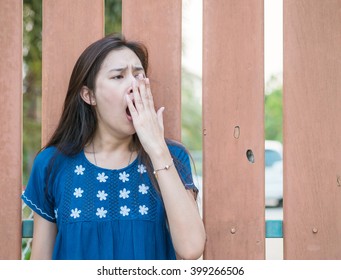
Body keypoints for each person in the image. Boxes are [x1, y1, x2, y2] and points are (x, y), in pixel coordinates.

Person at [22, 33, 206, 260]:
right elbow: (41, 264)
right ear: (89, 95)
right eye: (118, 76)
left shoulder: (171, 156)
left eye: (138, 75)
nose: (133, 84)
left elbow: (191, 249)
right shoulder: (52, 164)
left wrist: (157, 149)